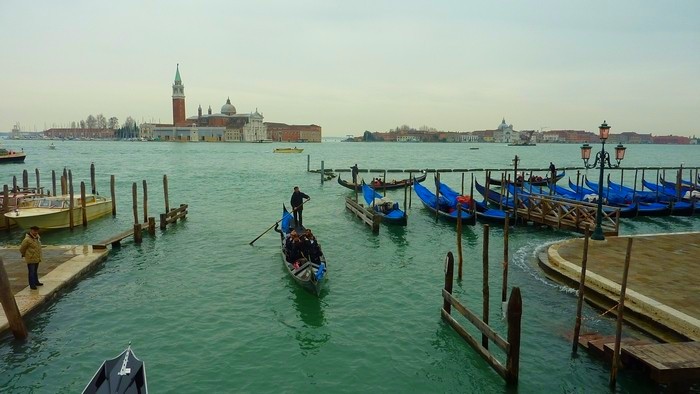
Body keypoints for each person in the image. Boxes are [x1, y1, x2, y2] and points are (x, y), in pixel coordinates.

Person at [19, 226, 43, 290]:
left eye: (37, 231)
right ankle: (32, 285)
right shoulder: (27, 239)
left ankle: (36, 282)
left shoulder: (37, 237)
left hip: (37, 257)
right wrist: (25, 255)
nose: (36, 232)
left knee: (35, 271)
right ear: (31, 230)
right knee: (31, 272)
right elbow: (22, 248)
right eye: (35, 231)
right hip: (31, 257)